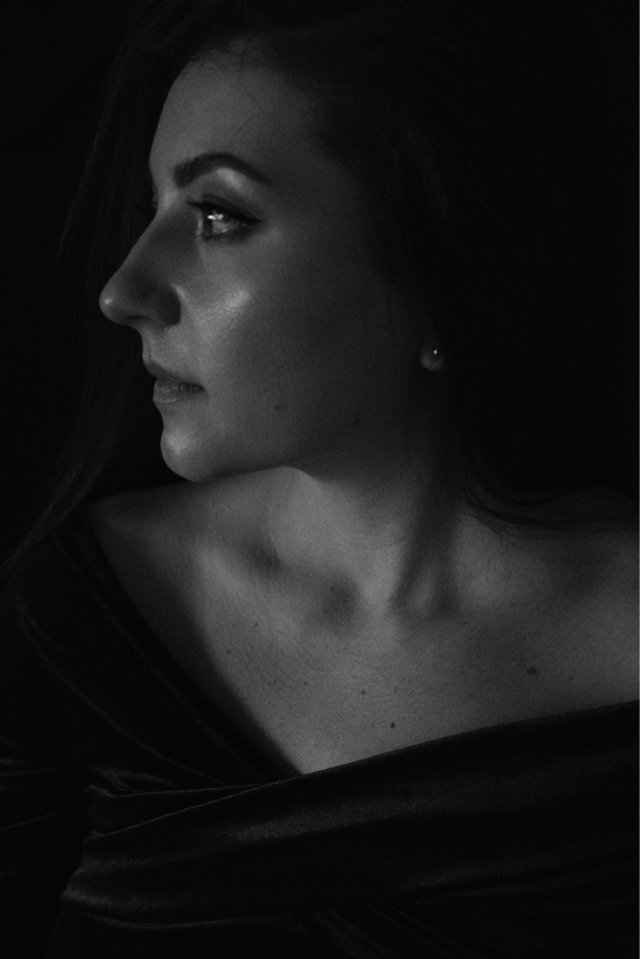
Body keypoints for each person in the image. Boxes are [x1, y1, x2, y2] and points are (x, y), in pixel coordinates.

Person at [0, 1, 637, 955]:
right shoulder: (77, 615)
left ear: (441, 259)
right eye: (151, 210)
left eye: (218, 216)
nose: (124, 291)